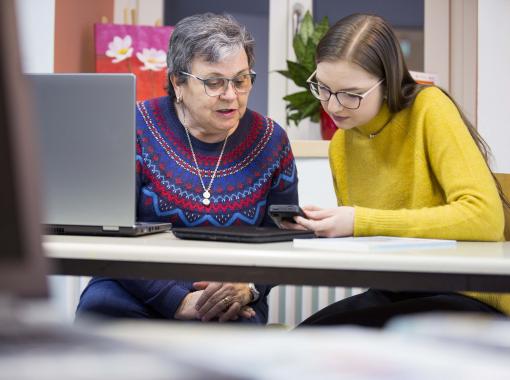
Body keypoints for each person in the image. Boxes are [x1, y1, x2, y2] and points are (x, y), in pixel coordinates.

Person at [77, 13, 299, 324]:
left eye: (241, 79)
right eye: (213, 82)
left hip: (228, 298)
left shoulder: (271, 141)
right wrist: (175, 300)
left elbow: (285, 239)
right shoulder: (133, 126)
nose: (231, 95)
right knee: (99, 320)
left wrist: (249, 286)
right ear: (178, 83)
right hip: (131, 287)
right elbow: (106, 236)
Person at [289, 13, 508, 327]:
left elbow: (485, 218)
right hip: (396, 290)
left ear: (388, 81)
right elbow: (378, 242)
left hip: (466, 293)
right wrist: (323, 230)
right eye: (323, 88)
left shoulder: (429, 109)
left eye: (351, 94)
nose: (334, 106)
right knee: (303, 338)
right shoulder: (341, 143)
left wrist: (359, 220)